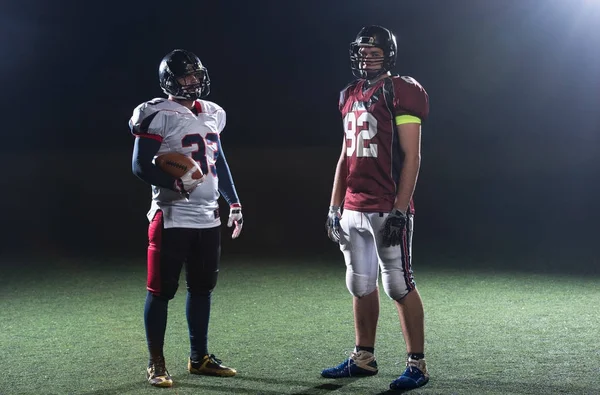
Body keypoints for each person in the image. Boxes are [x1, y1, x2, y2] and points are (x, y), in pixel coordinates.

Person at [322, 26, 430, 391]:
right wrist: (334, 205)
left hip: (386, 205)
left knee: (398, 284)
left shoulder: (401, 91)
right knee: (359, 283)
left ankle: (417, 365)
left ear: (389, 54)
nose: (367, 57)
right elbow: (343, 156)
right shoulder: (349, 94)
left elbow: (412, 156)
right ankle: (363, 358)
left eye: (374, 51)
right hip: (353, 205)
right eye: (362, 51)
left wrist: (400, 210)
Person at [129, 49, 243, 388]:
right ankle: (156, 362)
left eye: (196, 75)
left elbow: (218, 160)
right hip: (172, 215)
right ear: (170, 80)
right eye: (186, 76)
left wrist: (234, 203)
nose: (193, 81)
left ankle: (199, 357)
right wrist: (174, 182)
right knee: (161, 291)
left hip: (208, 217)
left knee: (203, 288)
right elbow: (140, 165)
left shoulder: (213, 112)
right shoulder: (156, 112)